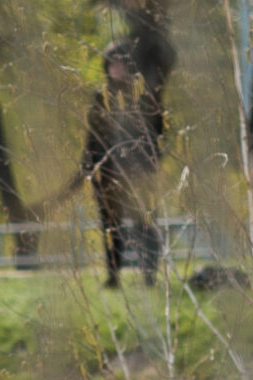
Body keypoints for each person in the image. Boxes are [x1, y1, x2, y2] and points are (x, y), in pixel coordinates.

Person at [82, 41, 164, 288]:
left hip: (139, 175)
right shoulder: (100, 97)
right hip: (108, 174)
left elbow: (157, 133)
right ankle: (113, 276)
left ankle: (149, 276)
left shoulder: (144, 96)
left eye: (120, 63)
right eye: (111, 63)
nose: (115, 68)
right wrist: (90, 167)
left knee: (144, 224)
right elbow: (92, 138)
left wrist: (148, 165)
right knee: (110, 227)